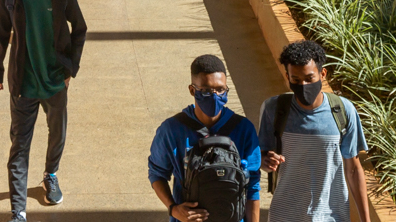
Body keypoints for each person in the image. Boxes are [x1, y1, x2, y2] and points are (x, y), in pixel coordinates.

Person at [0, 0, 88, 222]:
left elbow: (80, 29)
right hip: (23, 83)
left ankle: (50, 174)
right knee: (19, 145)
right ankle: (18, 210)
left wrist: (70, 69)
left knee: (57, 133)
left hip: (56, 80)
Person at [258, 41, 371, 222]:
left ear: (322, 74)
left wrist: (366, 220)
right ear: (287, 77)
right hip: (285, 214)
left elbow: (354, 170)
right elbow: (261, 157)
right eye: (296, 80)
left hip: (331, 215)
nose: (303, 85)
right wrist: (265, 161)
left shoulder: (343, 111)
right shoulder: (274, 109)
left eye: (309, 78)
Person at [148, 55, 262, 222]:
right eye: (206, 91)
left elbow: (252, 184)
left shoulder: (243, 128)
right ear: (192, 90)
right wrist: (173, 209)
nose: (214, 96)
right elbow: (157, 173)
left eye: (220, 89)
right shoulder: (171, 129)